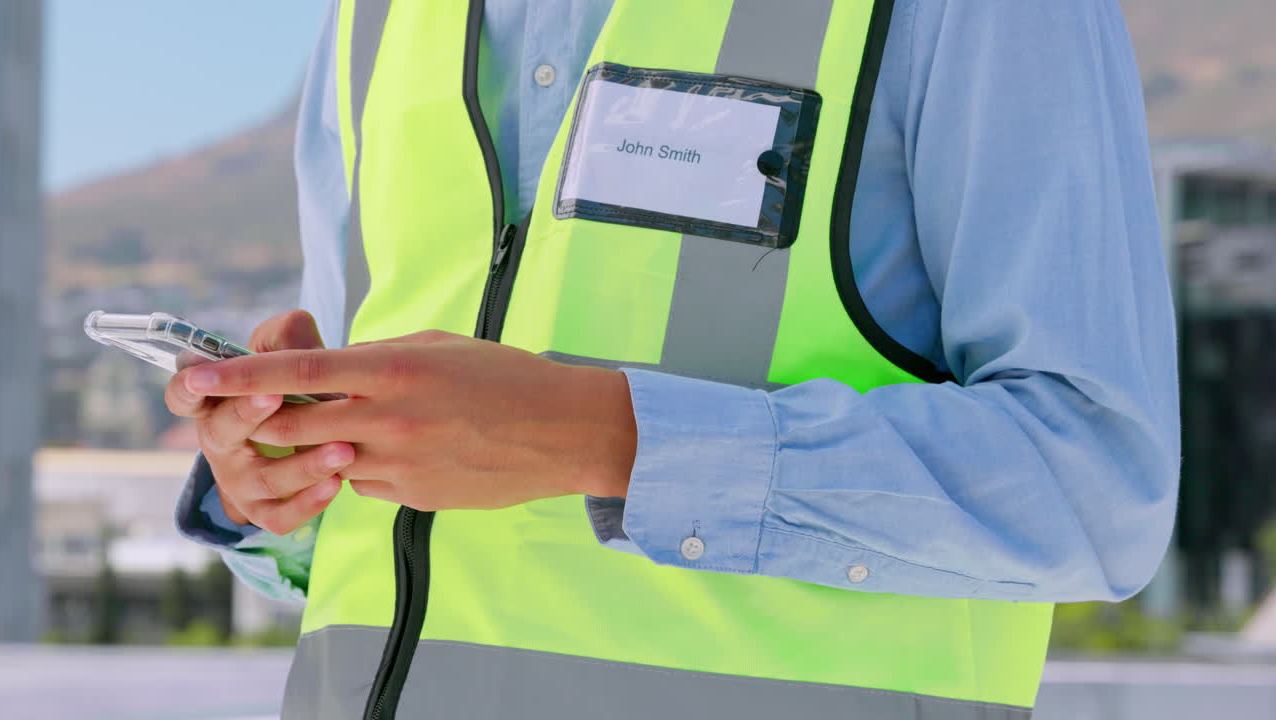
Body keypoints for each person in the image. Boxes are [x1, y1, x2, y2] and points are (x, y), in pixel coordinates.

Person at [168, 0, 1179, 718]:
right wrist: (287, 470)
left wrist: (606, 440)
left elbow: (1093, 489)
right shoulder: (375, 18)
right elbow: (387, 474)